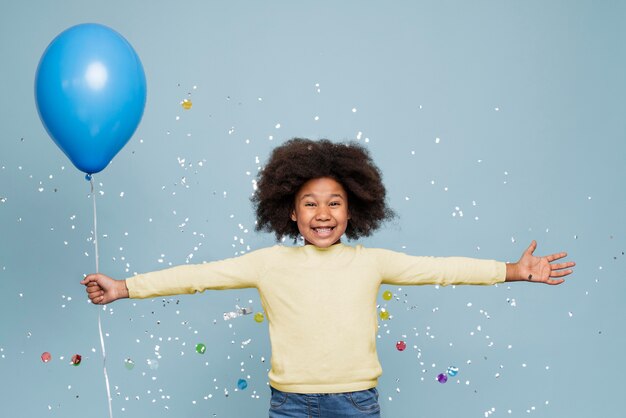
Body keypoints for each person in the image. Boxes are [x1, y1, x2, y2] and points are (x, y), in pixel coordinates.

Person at [82, 138, 575, 418]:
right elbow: (200, 276)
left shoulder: (371, 262)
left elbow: (440, 269)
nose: (323, 213)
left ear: (353, 209)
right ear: (290, 213)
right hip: (289, 405)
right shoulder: (268, 263)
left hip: (356, 403)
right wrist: (126, 287)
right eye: (310, 204)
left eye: (334, 203)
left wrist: (513, 271)